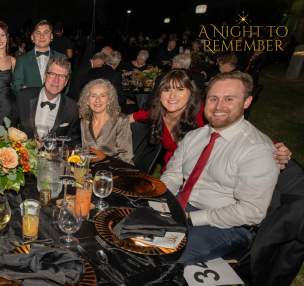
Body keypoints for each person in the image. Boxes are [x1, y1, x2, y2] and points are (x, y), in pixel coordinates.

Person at [160, 72, 280, 265]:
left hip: (226, 224)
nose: (218, 107)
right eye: (213, 98)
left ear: (247, 102)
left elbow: (251, 211)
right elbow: (173, 176)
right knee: (126, 233)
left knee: (165, 260)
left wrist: (190, 218)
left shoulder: (257, 150)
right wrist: (162, 204)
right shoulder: (194, 137)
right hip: (182, 207)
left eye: (229, 99)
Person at [132, 69, 290, 172]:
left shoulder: (203, 112)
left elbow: (238, 128)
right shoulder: (158, 114)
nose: (172, 96)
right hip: (173, 172)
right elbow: (136, 116)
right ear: (160, 95)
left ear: (191, 93)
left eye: (180, 89)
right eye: (167, 90)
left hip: (205, 172)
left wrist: (275, 146)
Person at [8, 57, 80, 143]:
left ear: (66, 82)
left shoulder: (72, 107)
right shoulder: (24, 97)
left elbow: (73, 141)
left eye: (61, 76)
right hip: (25, 153)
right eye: (52, 74)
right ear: (45, 77)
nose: (56, 80)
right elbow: (9, 126)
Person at [77, 78, 133, 164]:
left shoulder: (121, 121)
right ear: (87, 101)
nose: (98, 100)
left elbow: (126, 156)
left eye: (103, 95)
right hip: (92, 169)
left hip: (118, 169)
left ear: (109, 100)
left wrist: (105, 173)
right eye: (93, 95)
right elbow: (86, 152)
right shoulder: (85, 121)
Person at [12, 19, 66, 96]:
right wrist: (24, 93)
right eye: (38, 33)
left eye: (46, 32)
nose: (42, 36)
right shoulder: (22, 59)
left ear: (51, 36)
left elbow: (66, 86)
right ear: (32, 37)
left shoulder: (61, 57)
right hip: (29, 105)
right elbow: (15, 86)